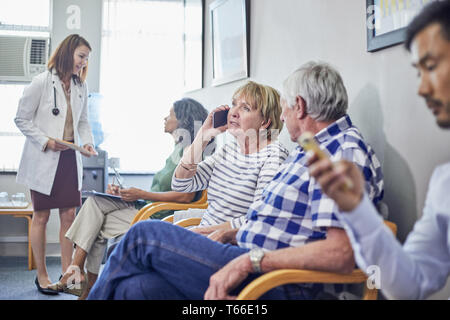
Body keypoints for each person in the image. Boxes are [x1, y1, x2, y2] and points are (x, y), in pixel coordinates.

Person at [87, 61, 384, 300]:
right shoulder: (312, 150)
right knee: (135, 289)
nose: (283, 113)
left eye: (285, 106)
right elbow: (183, 184)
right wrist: (204, 136)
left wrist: (248, 260)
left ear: (301, 107)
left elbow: (341, 253)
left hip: (273, 282)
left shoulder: (341, 154)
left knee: (143, 235)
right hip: (246, 259)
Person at [308, 0, 450, 300]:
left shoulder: (348, 147)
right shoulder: (444, 183)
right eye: (418, 72)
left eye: (432, 66)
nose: (422, 88)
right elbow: (409, 286)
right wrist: (357, 210)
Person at [48, 98, 209, 299]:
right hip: (150, 208)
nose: (165, 118)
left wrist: (141, 194)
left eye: (171, 114)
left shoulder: (191, 151)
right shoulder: (177, 150)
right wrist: (127, 192)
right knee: (95, 211)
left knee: (95, 215)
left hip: (161, 218)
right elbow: (162, 190)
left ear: (183, 119)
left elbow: (186, 196)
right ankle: (82, 282)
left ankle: (78, 279)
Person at [14, 34, 97, 295]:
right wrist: (46, 141)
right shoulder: (41, 82)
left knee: (69, 216)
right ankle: (42, 276)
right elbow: (21, 119)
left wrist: (88, 144)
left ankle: (66, 273)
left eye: (86, 59)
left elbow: (83, 121)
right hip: (44, 156)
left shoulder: (80, 86)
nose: (84, 63)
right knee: (40, 216)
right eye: (81, 57)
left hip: (69, 157)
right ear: (67, 53)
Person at [171, 80, 289, 240]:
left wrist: (205, 232)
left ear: (265, 122)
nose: (233, 112)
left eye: (245, 108)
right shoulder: (229, 151)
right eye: (234, 104)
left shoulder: (274, 155)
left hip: (228, 243)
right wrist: (203, 137)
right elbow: (181, 184)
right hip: (204, 237)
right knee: (145, 233)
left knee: (145, 232)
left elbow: (260, 215)